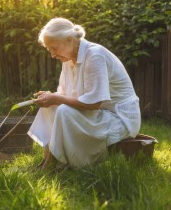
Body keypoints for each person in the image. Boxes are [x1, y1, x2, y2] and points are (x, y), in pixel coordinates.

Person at [28, 17, 141, 169]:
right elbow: (64, 95)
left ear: (69, 39)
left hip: (119, 119)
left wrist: (56, 98)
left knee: (63, 110)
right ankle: (49, 157)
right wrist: (51, 97)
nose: (52, 55)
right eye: (49, 50)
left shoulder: (94, 55)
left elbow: (94, 103)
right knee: (50, 106)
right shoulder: (67, 59)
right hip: (98, 115)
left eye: (54, 48)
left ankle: (57, 162)